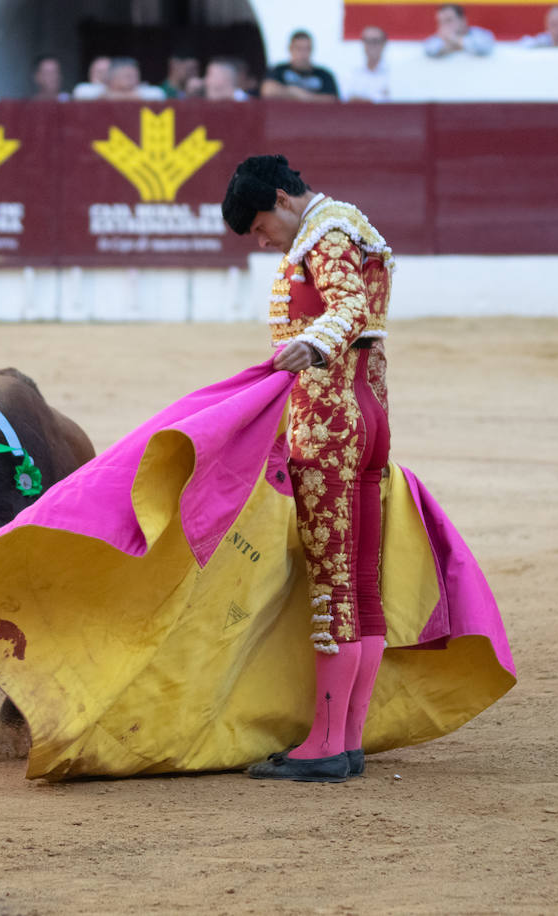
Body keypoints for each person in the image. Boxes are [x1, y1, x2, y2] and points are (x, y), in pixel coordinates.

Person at [221, 155, 394, 783]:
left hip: (328, 427)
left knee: (334, 586)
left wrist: (313, 344)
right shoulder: (351, 226)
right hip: (369, 416)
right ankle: (345, 740)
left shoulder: (323, 234)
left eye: (263, 227)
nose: (265, 241)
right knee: (361, 587)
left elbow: (345, 306)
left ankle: (325, 744)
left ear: (281, 199)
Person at [262, 29, 340, 101]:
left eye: (307, 49)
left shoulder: (324, 75)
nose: (303, 54)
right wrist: (292, 92)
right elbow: (267, 90)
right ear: (290, 49)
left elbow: (332, 100)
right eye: (299, 49)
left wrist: (303, 96)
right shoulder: (279, 70)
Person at [424, 4, 495, 57]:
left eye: (449, 20)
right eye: (441, 22)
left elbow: (484, 47)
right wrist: (446, 46)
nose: (445, 25)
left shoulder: (478, 34)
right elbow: (430, 50)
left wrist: (455, 40)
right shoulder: (436, 39)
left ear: (463, 20)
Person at [346, 26, 390, 102]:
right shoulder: (352, 73)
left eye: (375, 41)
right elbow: (346, 99)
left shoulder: (394, 73)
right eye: (367, 41)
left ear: (384, 43)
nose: (371, 45)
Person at [99, 57, 166, 101]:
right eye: (128, 76)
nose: (133, 79)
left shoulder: (150, 92)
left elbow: (158, 95)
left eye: (136, 76)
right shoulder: (98, 90)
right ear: (113, 79)